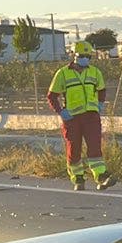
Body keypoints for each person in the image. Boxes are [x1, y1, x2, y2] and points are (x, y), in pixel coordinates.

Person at [45, 42, 110, 190]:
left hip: (91, 117)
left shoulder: (95, 72)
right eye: (83, 56)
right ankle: (78, 178)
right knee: (74, 149)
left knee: (95, 146)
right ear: (74, 55)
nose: (86, 59)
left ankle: (101, 176)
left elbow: (102, 90)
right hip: (72, 118)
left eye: (88, 56)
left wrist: (99, 104)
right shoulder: (62, 73)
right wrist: (61, 112)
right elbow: (52, 96)